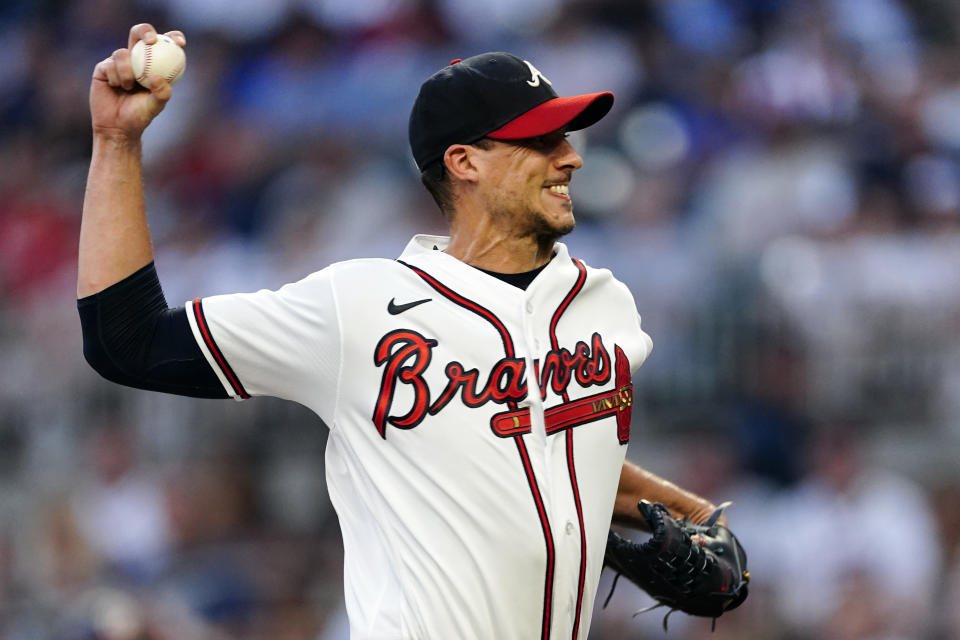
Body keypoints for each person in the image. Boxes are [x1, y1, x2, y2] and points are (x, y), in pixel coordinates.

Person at [79, 23, 731, 640]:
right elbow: (128, 341)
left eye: (566, 136)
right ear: (465, 163)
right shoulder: (358, 306)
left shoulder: (603, 303)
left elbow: (547, 440)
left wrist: (692, 514)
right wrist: (117, 143)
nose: (570, 158)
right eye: (541, 141)